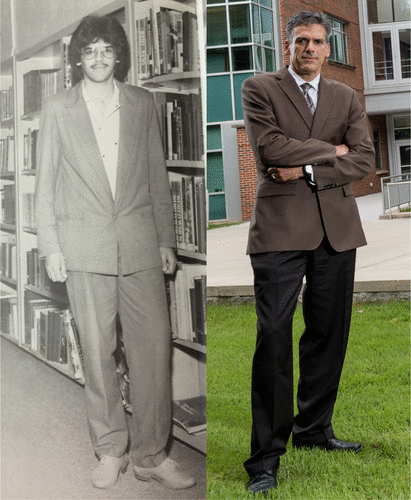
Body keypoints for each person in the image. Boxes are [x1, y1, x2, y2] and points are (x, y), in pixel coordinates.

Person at [35, 14, 195, 491]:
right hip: (83, 248)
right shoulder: (58, 109)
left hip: (141, 244)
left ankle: (151, 453)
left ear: (118, 54)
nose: (99, 58)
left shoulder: (142, 102)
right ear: (78, 59)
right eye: (90, 51)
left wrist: (166, 239)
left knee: (152, 351)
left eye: (107, 50)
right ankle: (110, 449)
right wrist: (51, 248)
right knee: (100, 356)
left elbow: (155, 176)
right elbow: (45, 188)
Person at [241, 10, 375, 494]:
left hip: (337, 231)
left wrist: (313, 167)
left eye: (319, 42)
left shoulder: (347, 96)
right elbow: (271, 148)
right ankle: (265, 458)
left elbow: (364, 157)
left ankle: (315, 430)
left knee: (328, 334)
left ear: (327, 48)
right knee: (273, 337)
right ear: (288, 45)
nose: (311, 49)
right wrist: (332, 151)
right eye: (303, 41)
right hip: (279, 232)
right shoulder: (261, 89)